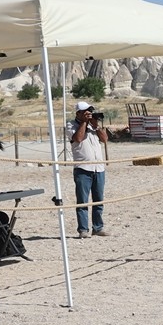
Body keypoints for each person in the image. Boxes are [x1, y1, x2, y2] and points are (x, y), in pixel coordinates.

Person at [65, 101, 108, 239]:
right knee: (83, 201)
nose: (88, 114)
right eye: (85, 112)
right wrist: (84, 122)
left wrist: (96, 126)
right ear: (78, 113)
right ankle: (83, 229)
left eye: (89, 111)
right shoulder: (71, 125)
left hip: (98, 168)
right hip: (83, 168)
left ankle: (98, 227)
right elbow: (77, 138)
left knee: (98, 200)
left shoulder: (93, 125)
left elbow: (105, 139)